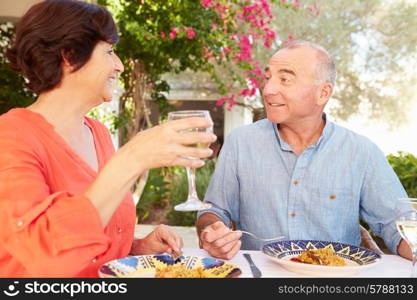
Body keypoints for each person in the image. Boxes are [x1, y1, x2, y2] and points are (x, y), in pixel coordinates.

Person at [0, 0, 216, 277]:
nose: (120, 66)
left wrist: (135, 249)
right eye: (110, 52)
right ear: (69, 56)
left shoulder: (97, 133)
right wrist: (132, 158)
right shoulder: (10, 137)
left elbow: (90, 234)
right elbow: (44, 258)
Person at [196, 40, 412, 261]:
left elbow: (400, 227)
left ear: (323, 93)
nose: (268, 90)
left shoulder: (362, 152)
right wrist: (211, 232)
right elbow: (213, 211)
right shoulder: (240, 143)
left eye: (285, 79)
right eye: (268, 78)